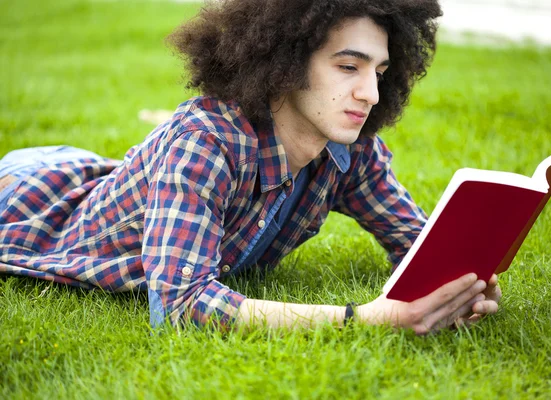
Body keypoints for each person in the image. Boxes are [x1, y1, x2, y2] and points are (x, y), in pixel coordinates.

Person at [0, 0, 500, 334]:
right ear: (284, 60)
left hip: (119, 178)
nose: (370, 93)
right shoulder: (203, 144)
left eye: (379, 71)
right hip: (36, 199)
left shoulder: (349, 151)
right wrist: (362, 318)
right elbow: (178, 304)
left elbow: (416, 243)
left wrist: (460, 286)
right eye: (348, 67)